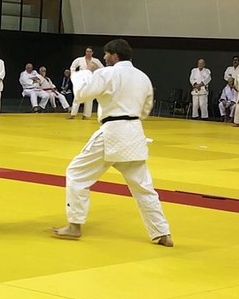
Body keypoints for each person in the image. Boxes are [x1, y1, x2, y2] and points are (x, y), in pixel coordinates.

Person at [53, 39, 171, 247]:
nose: (104, 58)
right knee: (144, 188)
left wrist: (82, 74)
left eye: (106, 54)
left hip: (112, 131)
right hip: (134, 132)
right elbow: (146, 108)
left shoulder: (108, 73)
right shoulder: (143, 77)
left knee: (76, 174)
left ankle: (75, 226)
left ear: (115, 55)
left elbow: (81, 94)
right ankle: (162, 233)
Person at [67, 47, 100, 119]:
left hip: (91, 79)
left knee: (89, 97)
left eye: (90, 51)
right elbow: (72, 67)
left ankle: (86, 115)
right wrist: (73, 75)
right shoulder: (79, 60)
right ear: (85, 52)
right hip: (81, 79)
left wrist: (96, 70)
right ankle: (73, 114)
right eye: (87, 51)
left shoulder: (96, 61)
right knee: (77, 96)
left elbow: (102, 69)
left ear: (92, 52)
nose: (88, 53)